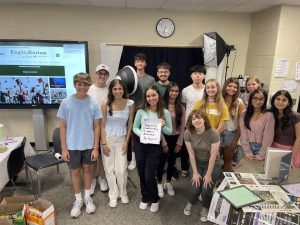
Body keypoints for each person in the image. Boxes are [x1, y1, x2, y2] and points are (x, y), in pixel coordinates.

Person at [57, 72, 101, 218]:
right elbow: (62, 126)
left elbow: (96, 127)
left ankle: (87, 197)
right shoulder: (66, 102)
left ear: (89, 85)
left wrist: (96, 147)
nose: (82, 87)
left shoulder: (94, 103)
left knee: (88, 170)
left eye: (86, 84)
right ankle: (78, 200)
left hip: (88, 144)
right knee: (75, 172)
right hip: (72, 145)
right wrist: (64, 148)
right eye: (80, 84)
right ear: (75, 84)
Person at [133, 85, 172, 213]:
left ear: (158, 96)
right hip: (141, 145)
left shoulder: (165, 112)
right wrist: (142, 135)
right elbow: (135, 128)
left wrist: (163, 126)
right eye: (148, 96)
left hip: (155, 147)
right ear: (145, 97)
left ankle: (154, 199)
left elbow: (169, 132)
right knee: (141, 174)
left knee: (150, 175)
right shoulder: (141, 111)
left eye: (153, 95)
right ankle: (145, 197)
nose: (151, 98)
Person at [183, 110, 222, 223]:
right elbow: (191, 154)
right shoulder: (188, 133)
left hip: (212, 163)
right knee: (194, 187)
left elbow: (213, 156)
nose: (196, 120)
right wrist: (195, 173)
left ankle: (205, 207)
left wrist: (208, 175)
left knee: (206, 188)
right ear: (191, 121)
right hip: (197, 162)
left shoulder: (213, 132)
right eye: (193, 119)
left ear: (204, 119)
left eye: (199, 118)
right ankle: (190, 202)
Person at [101, 79, 134, 207]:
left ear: (124, 90)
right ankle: (113, 195)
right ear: (111, 90)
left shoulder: (130, 103)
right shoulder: (105, 103)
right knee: (109, 169)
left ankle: (123, 192)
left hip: (122, 140)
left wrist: (127, 142)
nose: (118, 91)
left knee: (121, 170)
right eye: (115, 89)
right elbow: (102, 125)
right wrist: (104, 143)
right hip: (108, 139)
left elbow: (130, 124)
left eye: (120, 89)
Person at [157, 82, 185, 197]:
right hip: (162, 138)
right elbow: (159, 127)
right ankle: (158, 183)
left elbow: (182, 127)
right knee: (161, 162)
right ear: (168, 91)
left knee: (172, 163)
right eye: (172, 90)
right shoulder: (161, 106)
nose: (174, 93)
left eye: (176, 91)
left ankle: (168, 182)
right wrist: (163, 143)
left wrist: (179, 142)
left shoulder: (181, 107)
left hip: (175, 138)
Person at [128, 53, 155, 171]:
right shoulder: (130, 77)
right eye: (138, 61)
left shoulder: (151, 79)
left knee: (146, 133)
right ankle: (133, 159)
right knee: (132, 135)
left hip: (145, 110)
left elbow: (153, 95)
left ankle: (144, 157)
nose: (140, 63)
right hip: (131, 110)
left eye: (142, 61)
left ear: (145, 63)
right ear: (135, 63)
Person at [180, 65, 206, 177]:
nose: (197, 76)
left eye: (200, 73)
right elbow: (184, 105)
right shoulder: (186, 90)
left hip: (203, 124)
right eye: (195, 73)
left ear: (204, 75)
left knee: (202, 147)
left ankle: (200, 168)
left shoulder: (207, 89)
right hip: (189, 123)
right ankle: (185, 168)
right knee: (186, 147)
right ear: (191, 75)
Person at [87, 64, 109, 194]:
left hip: (106, 127)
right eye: (100, 73)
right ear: (96, 74)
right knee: (92, 155)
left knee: (102, 155)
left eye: (105, 74)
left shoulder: (110, 90)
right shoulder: (89, 90)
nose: (102, 76)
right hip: (91, 127)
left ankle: (102, 178)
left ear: (107, 76)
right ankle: (92, 179)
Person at [239, 88, 275, 160]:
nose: (258, 101)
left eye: (261, 99)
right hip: (245, 147)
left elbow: (268, 137)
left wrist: (261, 155)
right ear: (251, 99)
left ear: (265, 101)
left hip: (261, 148)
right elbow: (243, 135)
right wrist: (248, 152)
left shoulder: (269, 115)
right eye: (255, 98)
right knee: (243, 169)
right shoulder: (244, 114)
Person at [269, 90, 300, 168]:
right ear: (273, 101)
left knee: (287, 176)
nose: (280, 102)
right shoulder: (269, 114)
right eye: (278, 99)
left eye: (284, 100)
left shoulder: (295, 116)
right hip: (272, 148)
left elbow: (299, 138)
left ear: (289, 102)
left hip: (290, 151)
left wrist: (291, 158)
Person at [220, 78, 246, 172]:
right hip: (218, 132)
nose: (232, 88)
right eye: (230, 86)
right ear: (225, 86)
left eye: (235, 87)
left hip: (231, 134)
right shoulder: (218, 100)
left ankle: (226, 182)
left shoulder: (240, 103)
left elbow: (241, 124)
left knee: (228, 160)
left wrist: (235, 140)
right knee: (216, 160)